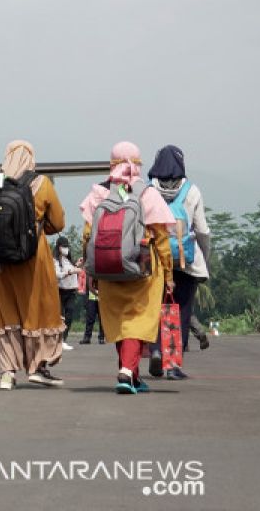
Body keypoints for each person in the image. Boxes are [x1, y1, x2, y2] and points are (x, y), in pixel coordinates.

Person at [0, 140, 67, 390]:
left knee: (5, 313)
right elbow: (58, 223)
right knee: (38, 311)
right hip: (32, 259)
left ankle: (7, 373)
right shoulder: (41, 183)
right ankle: (38, 367)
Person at [80, 141, 175, 395]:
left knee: (119, 321)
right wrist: (168, 273)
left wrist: (91, 270)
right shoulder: (147, 193)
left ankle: (131, 375)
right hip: (143, 269)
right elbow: (162, 238)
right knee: (137, 320)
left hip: (107, 268)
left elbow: (88, 235)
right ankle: (126, 371)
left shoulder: (99, 193)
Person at [145, 144, 212, 379]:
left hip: (157, 260)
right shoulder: (192, 191)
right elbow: (202, 230)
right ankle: (173, 365)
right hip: (185, 261)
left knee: (157, 307)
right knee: (181, 310)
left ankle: (154, 350)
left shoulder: (148, 190)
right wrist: (205, 257)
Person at [54, 237, 83, 350]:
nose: (66, 248)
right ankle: (58, 340)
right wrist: (71, 271)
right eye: (63, 246)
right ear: (59, 247)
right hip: (61, 291)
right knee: (61, 316)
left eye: (67, 246)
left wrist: (77, 265)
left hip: (71, 291)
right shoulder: (55, 260)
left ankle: (63, 339)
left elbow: (73, 269)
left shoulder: (68, 259)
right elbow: (58, 274)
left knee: (69, 315)